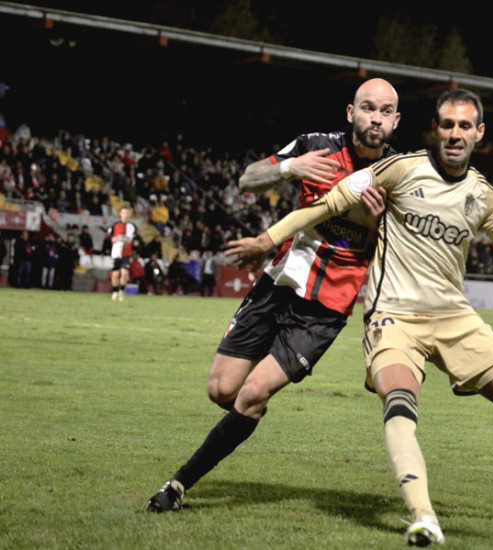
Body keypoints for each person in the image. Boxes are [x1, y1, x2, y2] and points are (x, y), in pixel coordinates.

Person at [226, 89, 493, 546]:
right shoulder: (399, 168)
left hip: (456, 321)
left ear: (479, 134)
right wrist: (268, 238)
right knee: (400, 409)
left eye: (465, 126)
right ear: (435, 129)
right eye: (447, 124)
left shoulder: (483, 196)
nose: (454, 133)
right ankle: (424, 517)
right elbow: (324, 205)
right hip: (394, 319)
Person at [147, 78, 400, 512]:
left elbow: (392, 255)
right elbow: (248, 178)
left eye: (385, 111)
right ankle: (249, 410)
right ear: (350, 112)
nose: (375, 118)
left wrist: (377, 224)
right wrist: (290, 168)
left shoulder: (400, 173)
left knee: (250, 395)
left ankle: (176, 487)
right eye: (367, 108)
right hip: (277, 283)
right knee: (220, 389)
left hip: (324, 308)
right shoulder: (314, 145)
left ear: (396, 120)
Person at [107, 206, 137, 300]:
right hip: (116, 253)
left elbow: (136, 238)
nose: (125, 215)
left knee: (124, 273)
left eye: (127, 213)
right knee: (115, 274)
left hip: (127, 254)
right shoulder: (115, 225)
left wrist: (136, 243)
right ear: (120, 214)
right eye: (124, 213)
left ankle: (121, 291)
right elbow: (108, 236)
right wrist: (112, 239)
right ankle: (115, 291)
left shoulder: (132, 226)